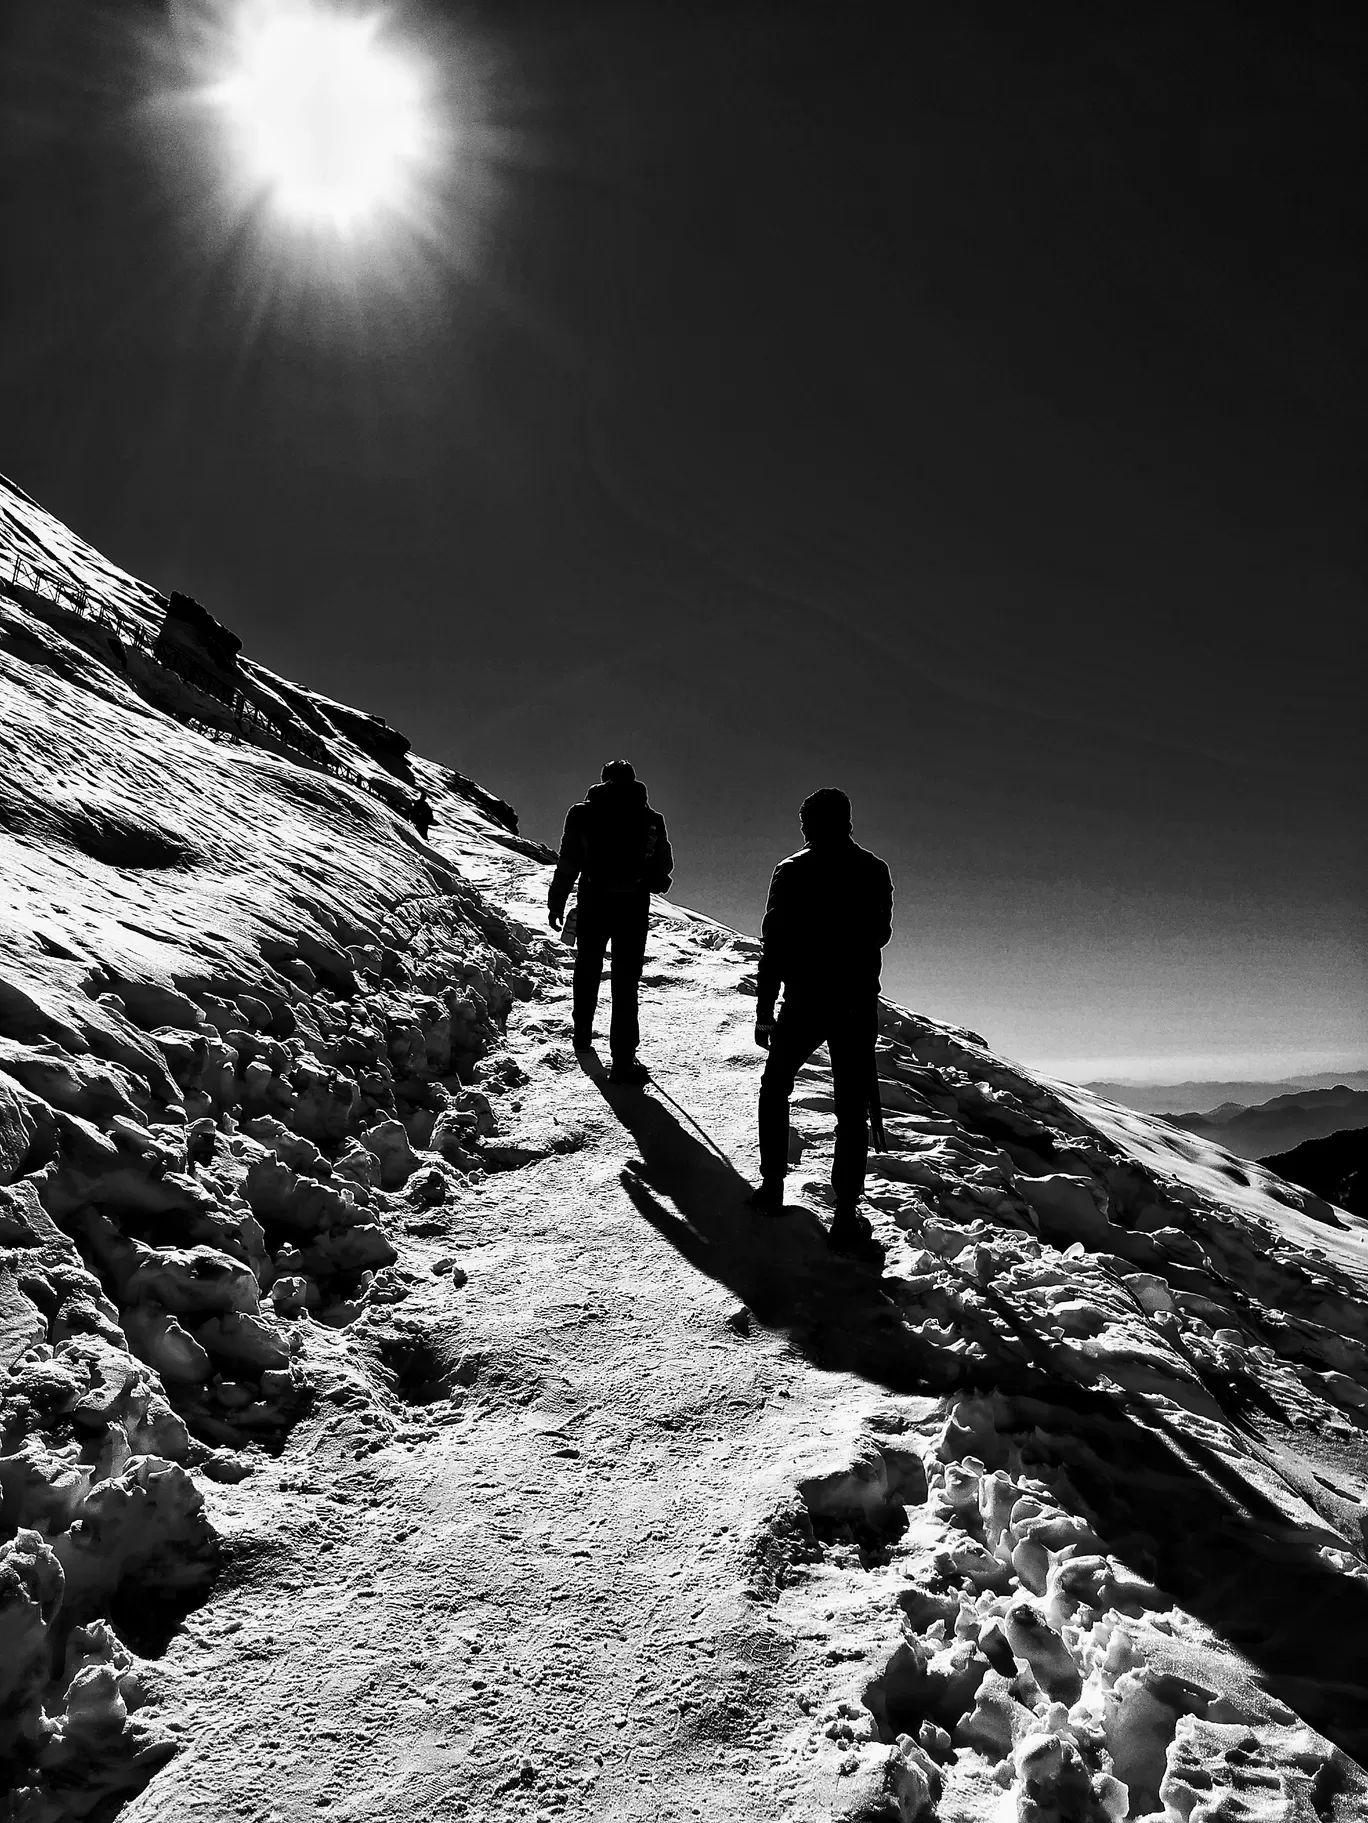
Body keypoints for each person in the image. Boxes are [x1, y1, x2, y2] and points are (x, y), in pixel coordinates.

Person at [752, 787, 893, 1253]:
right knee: (851, 1109)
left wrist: (764, 1008)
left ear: (811, 824)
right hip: (855, 1003)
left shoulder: (791, 871)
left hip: (805, 1000)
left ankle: (772, 1187)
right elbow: (881, 934)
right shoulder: (875, 871)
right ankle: (845, 1214)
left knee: (776, 1086)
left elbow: (775, 942)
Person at [548, 760, 673, 1084]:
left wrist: (557, 900)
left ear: (603, 781)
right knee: (626, 980)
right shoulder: (650, 819)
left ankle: (582, 1036)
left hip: (593, 899)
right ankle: (622, 1060)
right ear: (634, 782)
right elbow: (665, 864)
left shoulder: (582, 813)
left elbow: (569, 859)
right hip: (632, 904)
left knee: (587, 967)